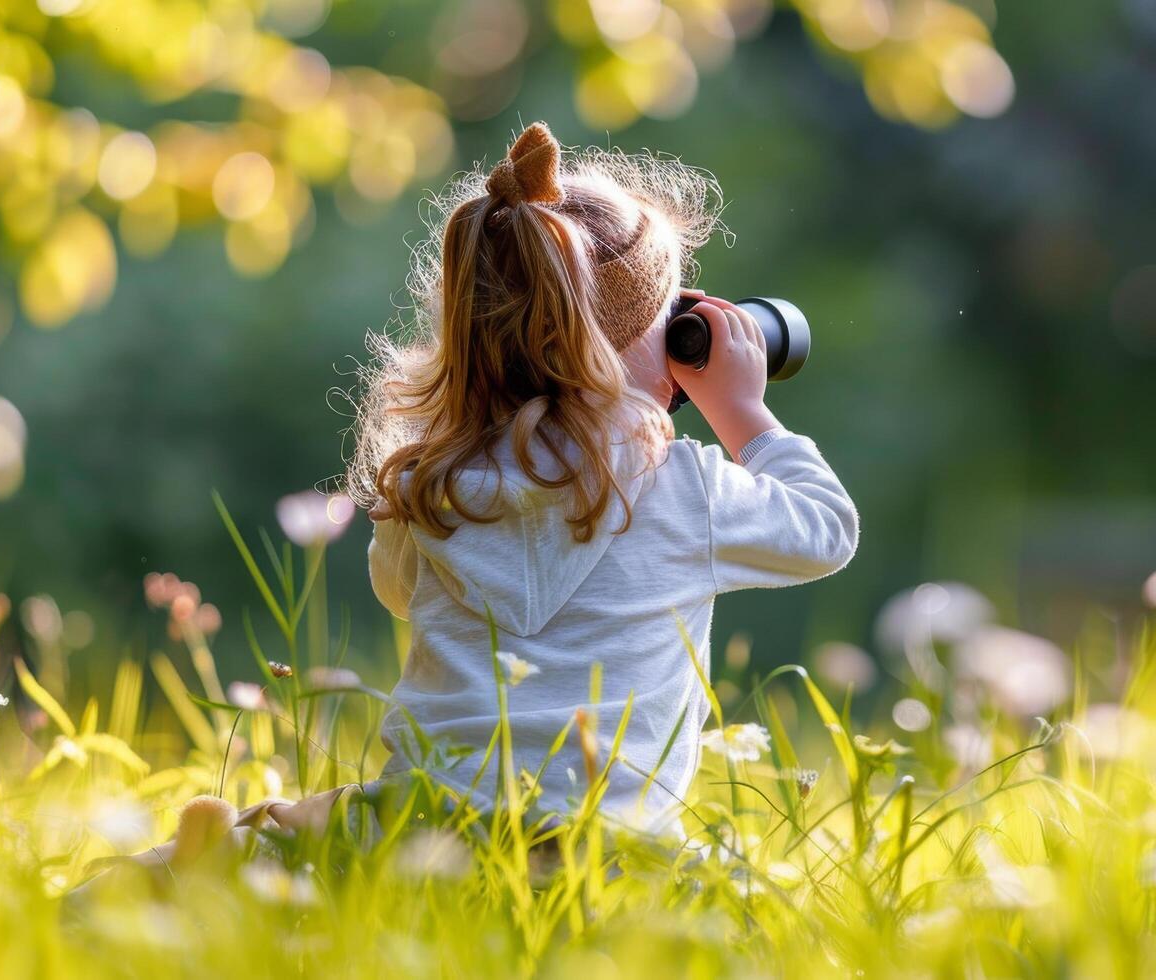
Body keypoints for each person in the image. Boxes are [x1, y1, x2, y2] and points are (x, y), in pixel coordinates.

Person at [127, 122, 858, 868]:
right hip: (601, 856)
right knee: (747, 903)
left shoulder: (433, 484)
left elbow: (401, 594)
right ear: (621, 346)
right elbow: (827, 530)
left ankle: (202, 862)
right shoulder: (689, 489)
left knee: (290, 838)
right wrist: (742, 412)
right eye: (670, 315)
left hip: (421, 834)